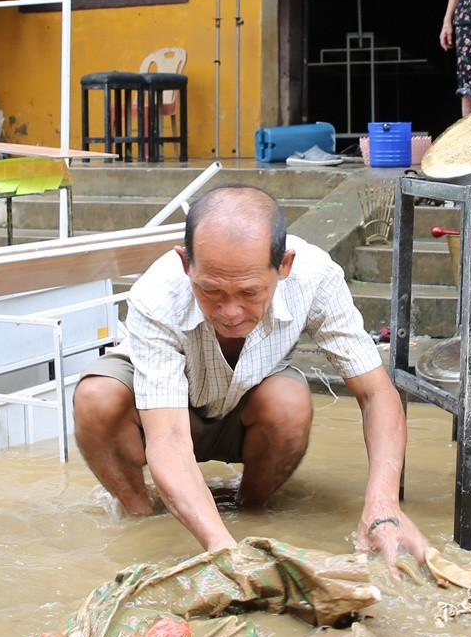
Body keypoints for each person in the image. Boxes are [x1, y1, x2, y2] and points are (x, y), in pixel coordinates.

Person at [74, 185, 430, 572]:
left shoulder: (316, 277)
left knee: (289, 404)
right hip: (163, 412)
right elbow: (169, 439)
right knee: (97, 398)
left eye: (249, 291)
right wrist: (224, 552)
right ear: (185, 263)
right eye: (209, 290)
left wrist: (383, 506)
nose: (229, 311)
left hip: (248, 402)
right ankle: (141, 516)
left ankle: (252, 512)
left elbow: (376, 392)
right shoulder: (157, 295)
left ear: (284, 266)